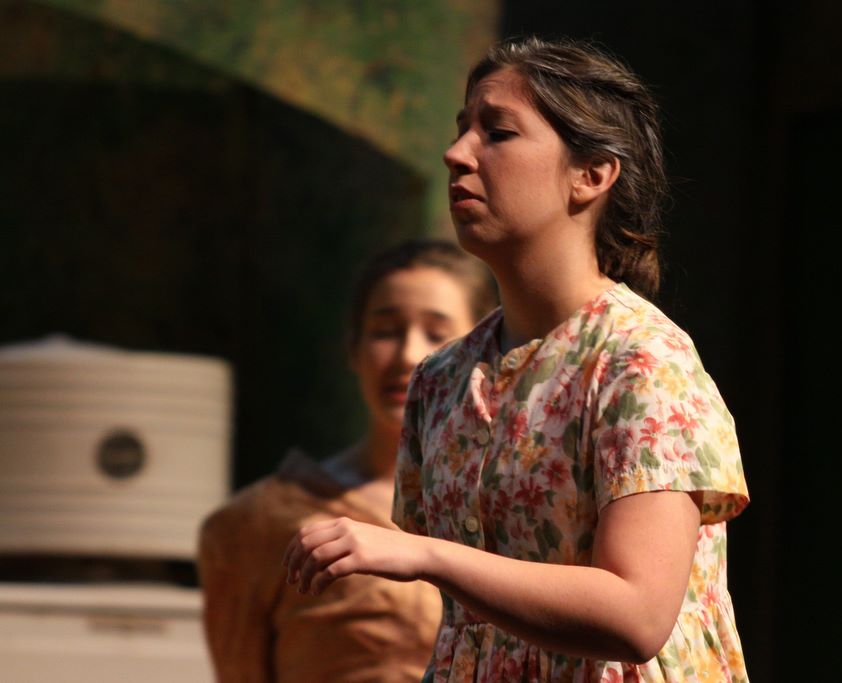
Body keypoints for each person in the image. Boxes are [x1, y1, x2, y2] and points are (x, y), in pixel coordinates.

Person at [283, 37, 751, 682]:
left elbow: (638, 615)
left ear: (591, 175)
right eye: (461, 130)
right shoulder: (441, 379)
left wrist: (425, 555)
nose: (457, 154)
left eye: (497, 133)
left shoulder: (640, 360)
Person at [199, 239, 497, 682]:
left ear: (484, 350)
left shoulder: (527, 506)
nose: (408, 355)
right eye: (385, 331)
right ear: (353, 349)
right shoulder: (260, 523)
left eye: (436, 334)